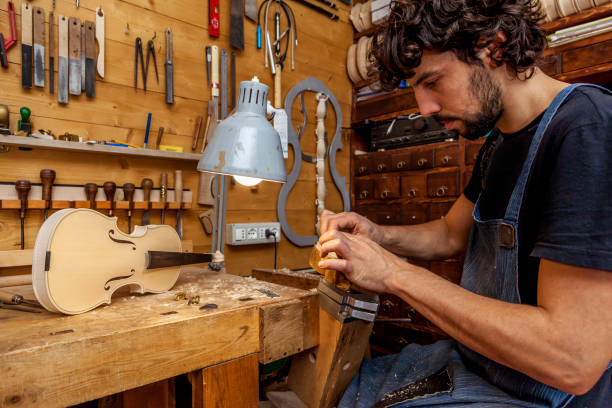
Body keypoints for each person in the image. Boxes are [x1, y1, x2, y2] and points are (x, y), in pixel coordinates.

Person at [317, 0, 612, 406]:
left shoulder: (586, 130)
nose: (424, 109)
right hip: (487, 365)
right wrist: (378, 234)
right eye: (415, 88)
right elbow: (451, 233)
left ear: (494, 46)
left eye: (433, 81)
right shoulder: (499, 141)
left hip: (546, 393)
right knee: (346, 391)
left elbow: (573, 359)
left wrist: (393, 274)